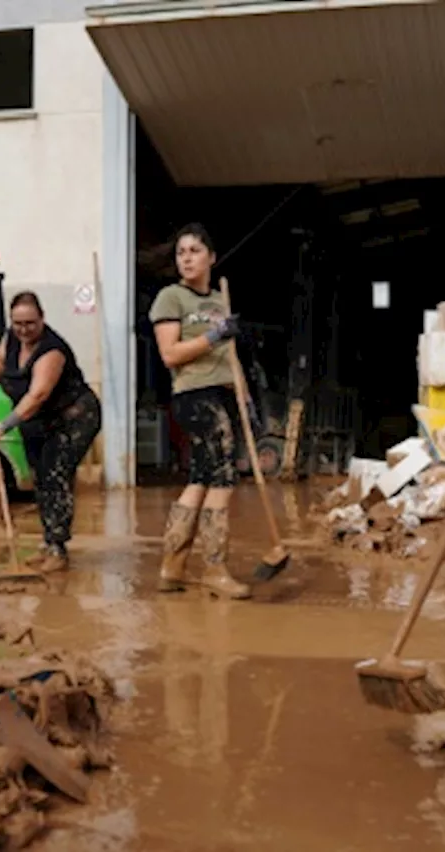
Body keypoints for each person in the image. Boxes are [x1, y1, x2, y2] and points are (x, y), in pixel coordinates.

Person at [149, 223, 252, 600]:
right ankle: (214, 569)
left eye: (194, 250)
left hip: (222, 393)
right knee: (223, 478)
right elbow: (170, 354)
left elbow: (230, 357)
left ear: (211, 256)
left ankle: (172, 568)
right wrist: (213, 335)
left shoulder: (217, 301)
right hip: (195, 394)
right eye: (181, 252)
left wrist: (244, 395)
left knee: (200, 478)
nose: (187, 258)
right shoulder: (170, 298)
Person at [0, 291, 101, 572]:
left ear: (42, 319)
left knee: (55, 473)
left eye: (30, 323)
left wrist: (2, 427)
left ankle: (57, 548)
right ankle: (48, 541)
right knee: (39, 477)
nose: (24, 330)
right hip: (39, 420)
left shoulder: (52, 350)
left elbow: (37, 395)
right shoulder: (12, 339)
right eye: (18, 323)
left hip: (74, 417)